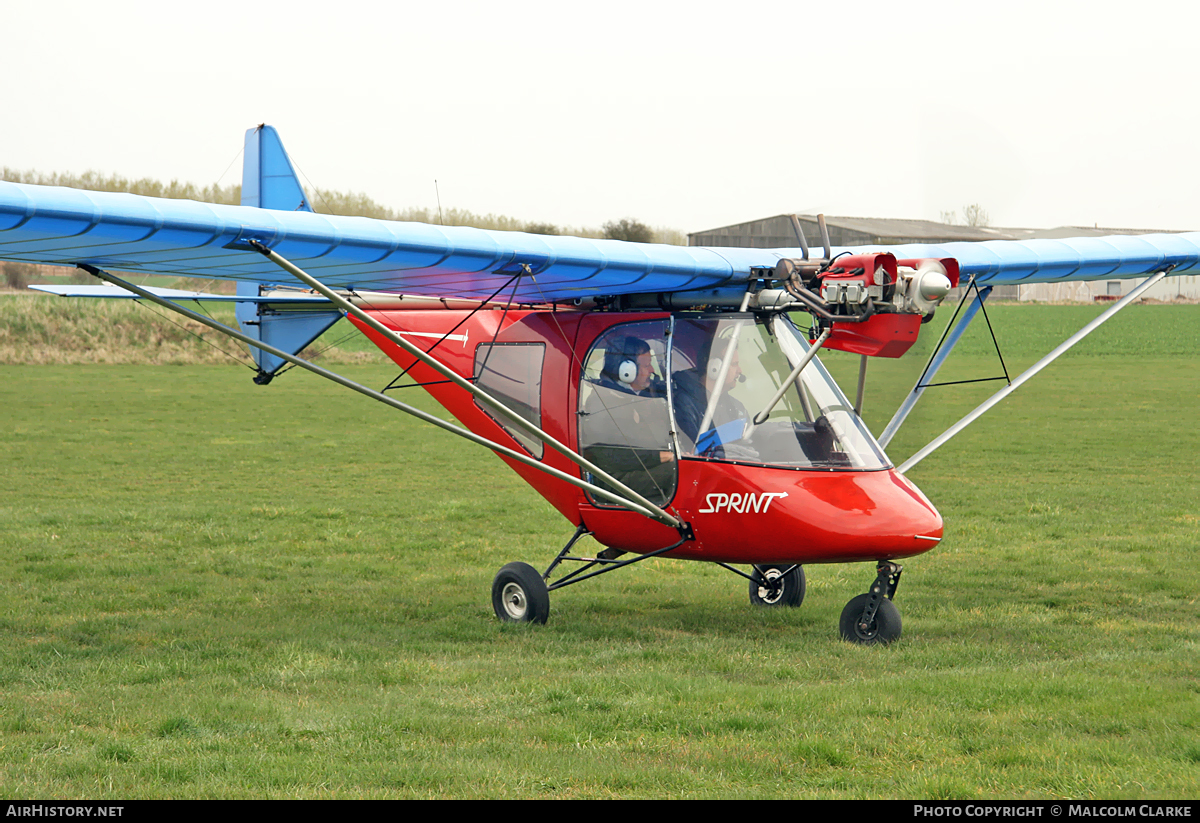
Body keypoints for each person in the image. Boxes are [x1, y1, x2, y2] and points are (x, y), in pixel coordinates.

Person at [672, 335, 757, 460]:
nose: (740, 370)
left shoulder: (737, 407)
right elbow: (692, 450)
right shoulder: (683, 403)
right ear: (714, 367)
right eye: (734, 364)